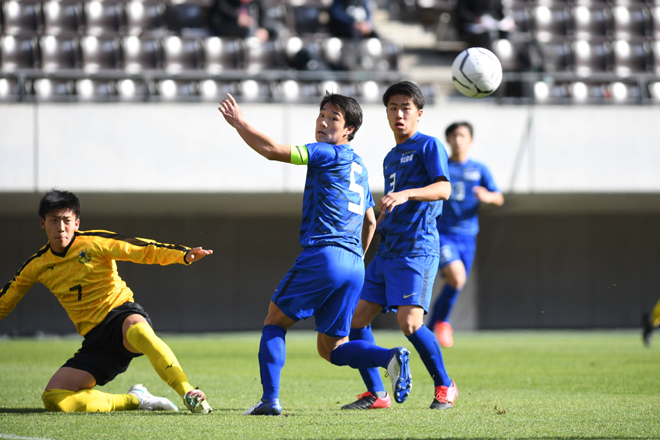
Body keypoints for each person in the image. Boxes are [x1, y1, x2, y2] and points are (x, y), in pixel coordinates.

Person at [218, 92, 412, 416]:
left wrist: (240, 123)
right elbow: (371, 220)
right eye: (321, 114)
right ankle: (387, 357)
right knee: (332, 348)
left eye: (333, 118)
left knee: (275, 322)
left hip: (325, 254)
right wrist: (357, 260)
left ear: (348, 130)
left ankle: (270, 400)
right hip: (353, 264)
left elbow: (271, 151)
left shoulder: (326, 153)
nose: (323, 121)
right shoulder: (360, 167)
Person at [0, 190, 213, 414]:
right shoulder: (37, 265)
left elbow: (139, 249)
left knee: (139, 331)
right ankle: (136, 400)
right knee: (54, 398)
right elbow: (6, 300)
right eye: (54, 221)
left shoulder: (95, 242)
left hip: (120, 315)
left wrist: (183, 255)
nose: (61, 228)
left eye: (66, 221)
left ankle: (188, 392)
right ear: (43, 223)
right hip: (96, 341)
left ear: (77, 222)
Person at [342, 81, 457, 411]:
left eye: (406, 108)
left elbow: (444, 189)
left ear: (419, 113)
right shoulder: (391, 157)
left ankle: (445, 385)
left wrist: (407, 194)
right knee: (354, 321)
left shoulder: (429, 146)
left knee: (409, 324)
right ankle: (377, 394)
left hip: (417, 249)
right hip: (387, 250)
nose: (399, 114)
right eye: (393, 108)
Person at [429, 122, 504, 348]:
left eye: (462, 135)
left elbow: (498, 197)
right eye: (454, 136)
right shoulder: (442, 167)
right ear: (448, 140)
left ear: (470, 140)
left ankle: (434, 324)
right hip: (443, 233)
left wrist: (487, 197)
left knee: (456, 282)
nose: (458, 140)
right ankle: (443, 323)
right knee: (457, 277)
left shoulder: (480, 169)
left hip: (468, 236)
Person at [210, 0, 283, 42]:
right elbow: (221, 7)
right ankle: (252, 59)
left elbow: (263, 11)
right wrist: (237, 17)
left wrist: (263, 28)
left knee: (277, 28)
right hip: (227, 23)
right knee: (249, 30)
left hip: (252, 25)